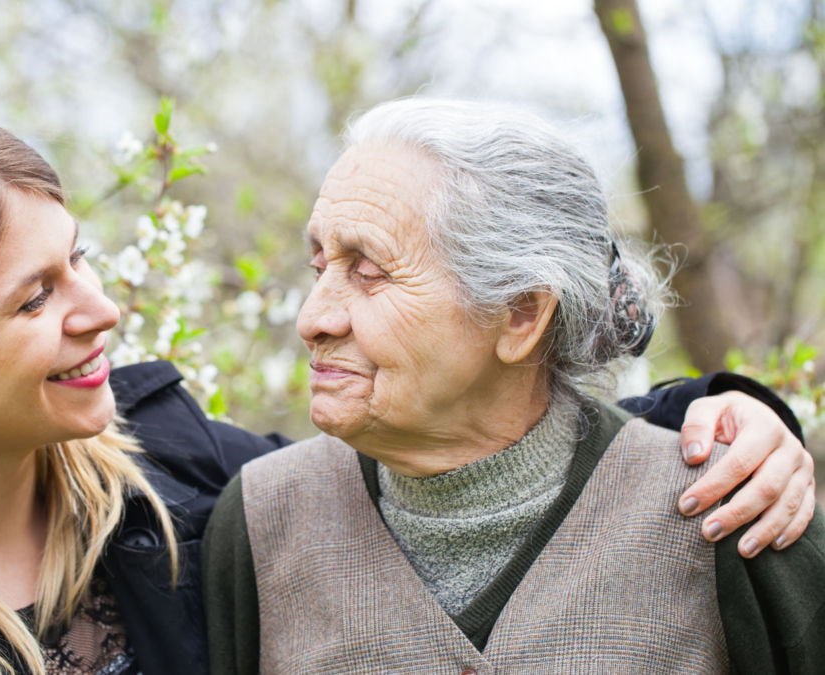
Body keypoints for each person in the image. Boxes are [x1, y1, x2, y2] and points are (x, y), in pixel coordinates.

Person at [0, 109, 812, 675]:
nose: (102, 311)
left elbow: (483, 451)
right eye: (35, 299)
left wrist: (721, 417)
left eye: (80, 260)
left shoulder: (186, 482)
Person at [202, 99, 825, 674]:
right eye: (319, 266)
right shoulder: (260, 522)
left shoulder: (737, 508)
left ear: (521, 314)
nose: (313, 318)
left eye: (369, 273)